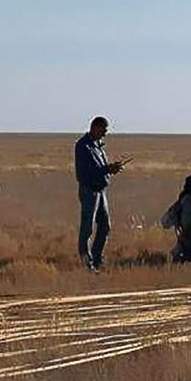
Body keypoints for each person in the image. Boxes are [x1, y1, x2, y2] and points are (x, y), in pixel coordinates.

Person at [73, 116, 124, 272]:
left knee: (105, 226)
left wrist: (110, 170)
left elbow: (100, 168)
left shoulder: (98, 146)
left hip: (101, 191)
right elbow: (84, 173)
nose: (104, 134)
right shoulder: (83, 146)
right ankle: (86, 263)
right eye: (103, 130)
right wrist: (107, 169)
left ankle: (96, 258)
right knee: (87, 228)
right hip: (89, 190)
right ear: (95, 127)